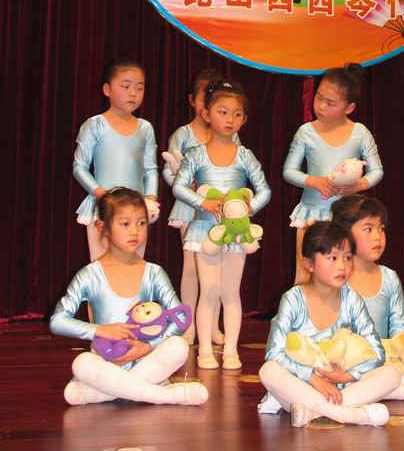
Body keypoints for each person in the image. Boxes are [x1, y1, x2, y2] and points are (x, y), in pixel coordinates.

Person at [50, 188, 207, 406]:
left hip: (145, 360)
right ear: (103, 227)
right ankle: (161, 394)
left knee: (179, 346)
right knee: (82, 363)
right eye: (125, 224)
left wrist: (148, 346)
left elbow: (180, 318)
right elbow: (57, 321)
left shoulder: (154, 273)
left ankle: (106, 391)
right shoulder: (90, 275)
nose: (135, 231)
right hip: (107, 362)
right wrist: (100, 330)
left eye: (141, 223)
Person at [258, 221, 400, 427]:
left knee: (391, 374)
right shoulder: (293, 299)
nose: (342, 266)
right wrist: (313, 378)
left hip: (340, 389)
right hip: (301, 386)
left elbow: (377, 352)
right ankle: (348, 414)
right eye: (332, 258)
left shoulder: (352, 299)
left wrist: (347, 375)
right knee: (269, 370)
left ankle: (315, 412)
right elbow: (274, 353)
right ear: (309, 264)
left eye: (348, 257)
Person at [173, 79, 271, 370]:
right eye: (223, 112)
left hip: (236, 233)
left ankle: (230, 350)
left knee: (230, 292)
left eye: (237, 114)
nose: (230, 119)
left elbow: (264, 190)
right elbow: (179, 187)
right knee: (209, 290)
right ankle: (204, 349)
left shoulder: (245, 156)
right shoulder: (196, 154)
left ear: (244, 119)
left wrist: (247, 207)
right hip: (204, 231)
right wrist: (204, 203)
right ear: (206, 114)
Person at [331, 195, 404, 402]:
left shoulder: (389, 278)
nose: (378, 237)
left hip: (387, 360)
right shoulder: (336, 278)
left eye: (381, 229)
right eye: (368, 229)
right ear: (344, 235)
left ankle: (368, 392)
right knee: (381, 374)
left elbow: (399, 326)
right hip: (349, 364)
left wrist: (403, 347)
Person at [283, 63, 383, 283]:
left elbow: (377, 171)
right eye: (318, 97)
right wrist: (315, 182)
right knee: (306, 276)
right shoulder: (306, 132)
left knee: (346, 275)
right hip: (312, 215)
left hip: (347, 217)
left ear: (349, 108)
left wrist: (358, 185)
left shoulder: (360, 133)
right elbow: (288, 171)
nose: (320, 106)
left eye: (330, 103)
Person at [162, 69, 231, 346]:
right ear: (193, 101)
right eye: (205, 98)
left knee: (219, 269)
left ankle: (212, 326)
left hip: (218, 210)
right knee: (191, 267)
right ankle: (188, 326)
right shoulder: (182, 135)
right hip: (190, 208)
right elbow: (168, 171)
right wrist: (186, 184)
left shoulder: (228, 135)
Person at [73, 57, 158, 261]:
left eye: (139, 88)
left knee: (133, 266)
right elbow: (79, 166)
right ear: (107, 89)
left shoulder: (145, 128)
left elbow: (150, 169)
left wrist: (150, 199)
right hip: (103, 208)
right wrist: (102, 194)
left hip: (136, 210)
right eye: (126, 86)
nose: (133, 93)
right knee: (102, 266)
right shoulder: (95, 125)